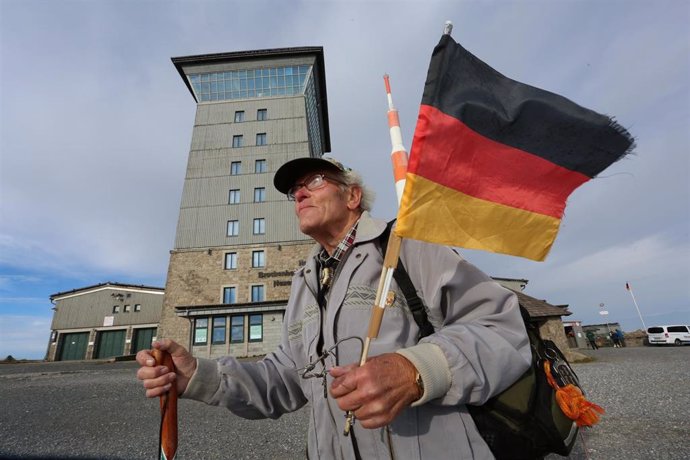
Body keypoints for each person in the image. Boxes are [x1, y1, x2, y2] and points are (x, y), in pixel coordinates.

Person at [137, 156, 531, 459]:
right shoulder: (304, 281)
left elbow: (503, 330)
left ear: (352, 196)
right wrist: (199, 377)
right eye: (295, 190)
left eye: (314, 181)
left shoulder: (407, 246)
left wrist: (416, 370)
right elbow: (285, 379)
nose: (300, 194)